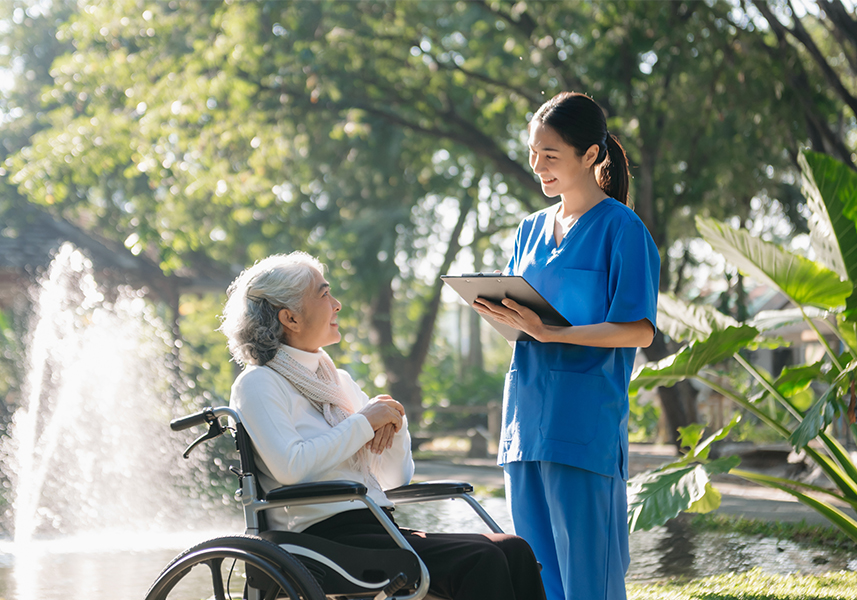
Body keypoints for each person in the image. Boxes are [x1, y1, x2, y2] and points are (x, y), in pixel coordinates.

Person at [219, 251, 546, 600]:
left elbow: (392, 480)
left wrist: (394, 422)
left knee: (514, 549)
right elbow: (291, 466)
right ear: (290, 318)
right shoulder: (259, 383)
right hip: (317, 539)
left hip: (376, 523)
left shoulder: (337, 382)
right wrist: (364, 422)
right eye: (324, 293)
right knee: (482, 560)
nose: (337, 304)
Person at [472, 92, 660, 600]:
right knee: (533, 579)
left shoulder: (623, 230)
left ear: (591, 156)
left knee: (588, 582)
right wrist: (499, 314)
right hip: (525, 423)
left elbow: (639, 329)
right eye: (534, 153)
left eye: (550, 155)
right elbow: (525, 323)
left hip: (583, 427)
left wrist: (556, 333)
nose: (538, 167)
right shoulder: (528, 230)